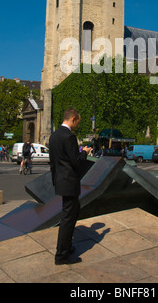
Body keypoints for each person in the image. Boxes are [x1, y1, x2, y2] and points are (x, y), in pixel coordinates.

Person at [49, 108, 92, 265]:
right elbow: (77, 162)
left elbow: (53, 162)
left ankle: (66, 247)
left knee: (73, 211)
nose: (77, 126)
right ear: (73, 119)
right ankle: (61, 255)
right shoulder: (69, 137)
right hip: (69, 181)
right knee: (68, 217)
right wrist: (85, 152)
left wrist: (56, 180)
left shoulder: (54, 136)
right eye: (77, 123)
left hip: (61, 180)